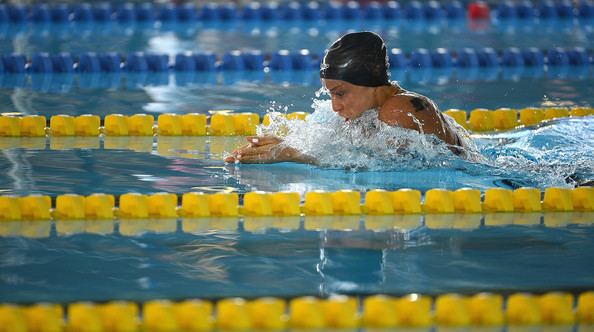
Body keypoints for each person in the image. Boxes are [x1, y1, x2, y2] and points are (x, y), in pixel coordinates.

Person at [224, 31, 466, 164]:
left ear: (369, 84)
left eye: (340, 93)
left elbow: (382, 169)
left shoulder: (397, 109)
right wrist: (285, 144)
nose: (335, 106)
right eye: (331, 94)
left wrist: (294, 156)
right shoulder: (371, 109)